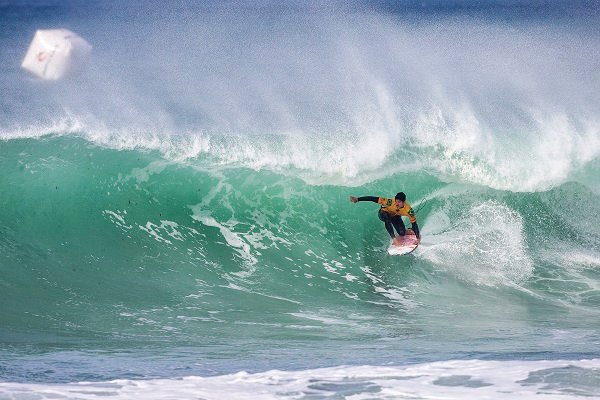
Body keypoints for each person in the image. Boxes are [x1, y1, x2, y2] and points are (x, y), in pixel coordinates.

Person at [350, 192, 420, 245]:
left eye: (399, 202)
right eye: (396, 201)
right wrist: (358, 199)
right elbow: (373, 199)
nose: (396, 203)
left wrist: (417, 238)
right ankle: (394, 239)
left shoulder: (408, 210)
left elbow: (414, 224)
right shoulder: (390, 202)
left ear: (403, 202)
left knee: (402, 233)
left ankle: (405, 230)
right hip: (383, 213)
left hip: (395, 216)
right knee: (387, 217)